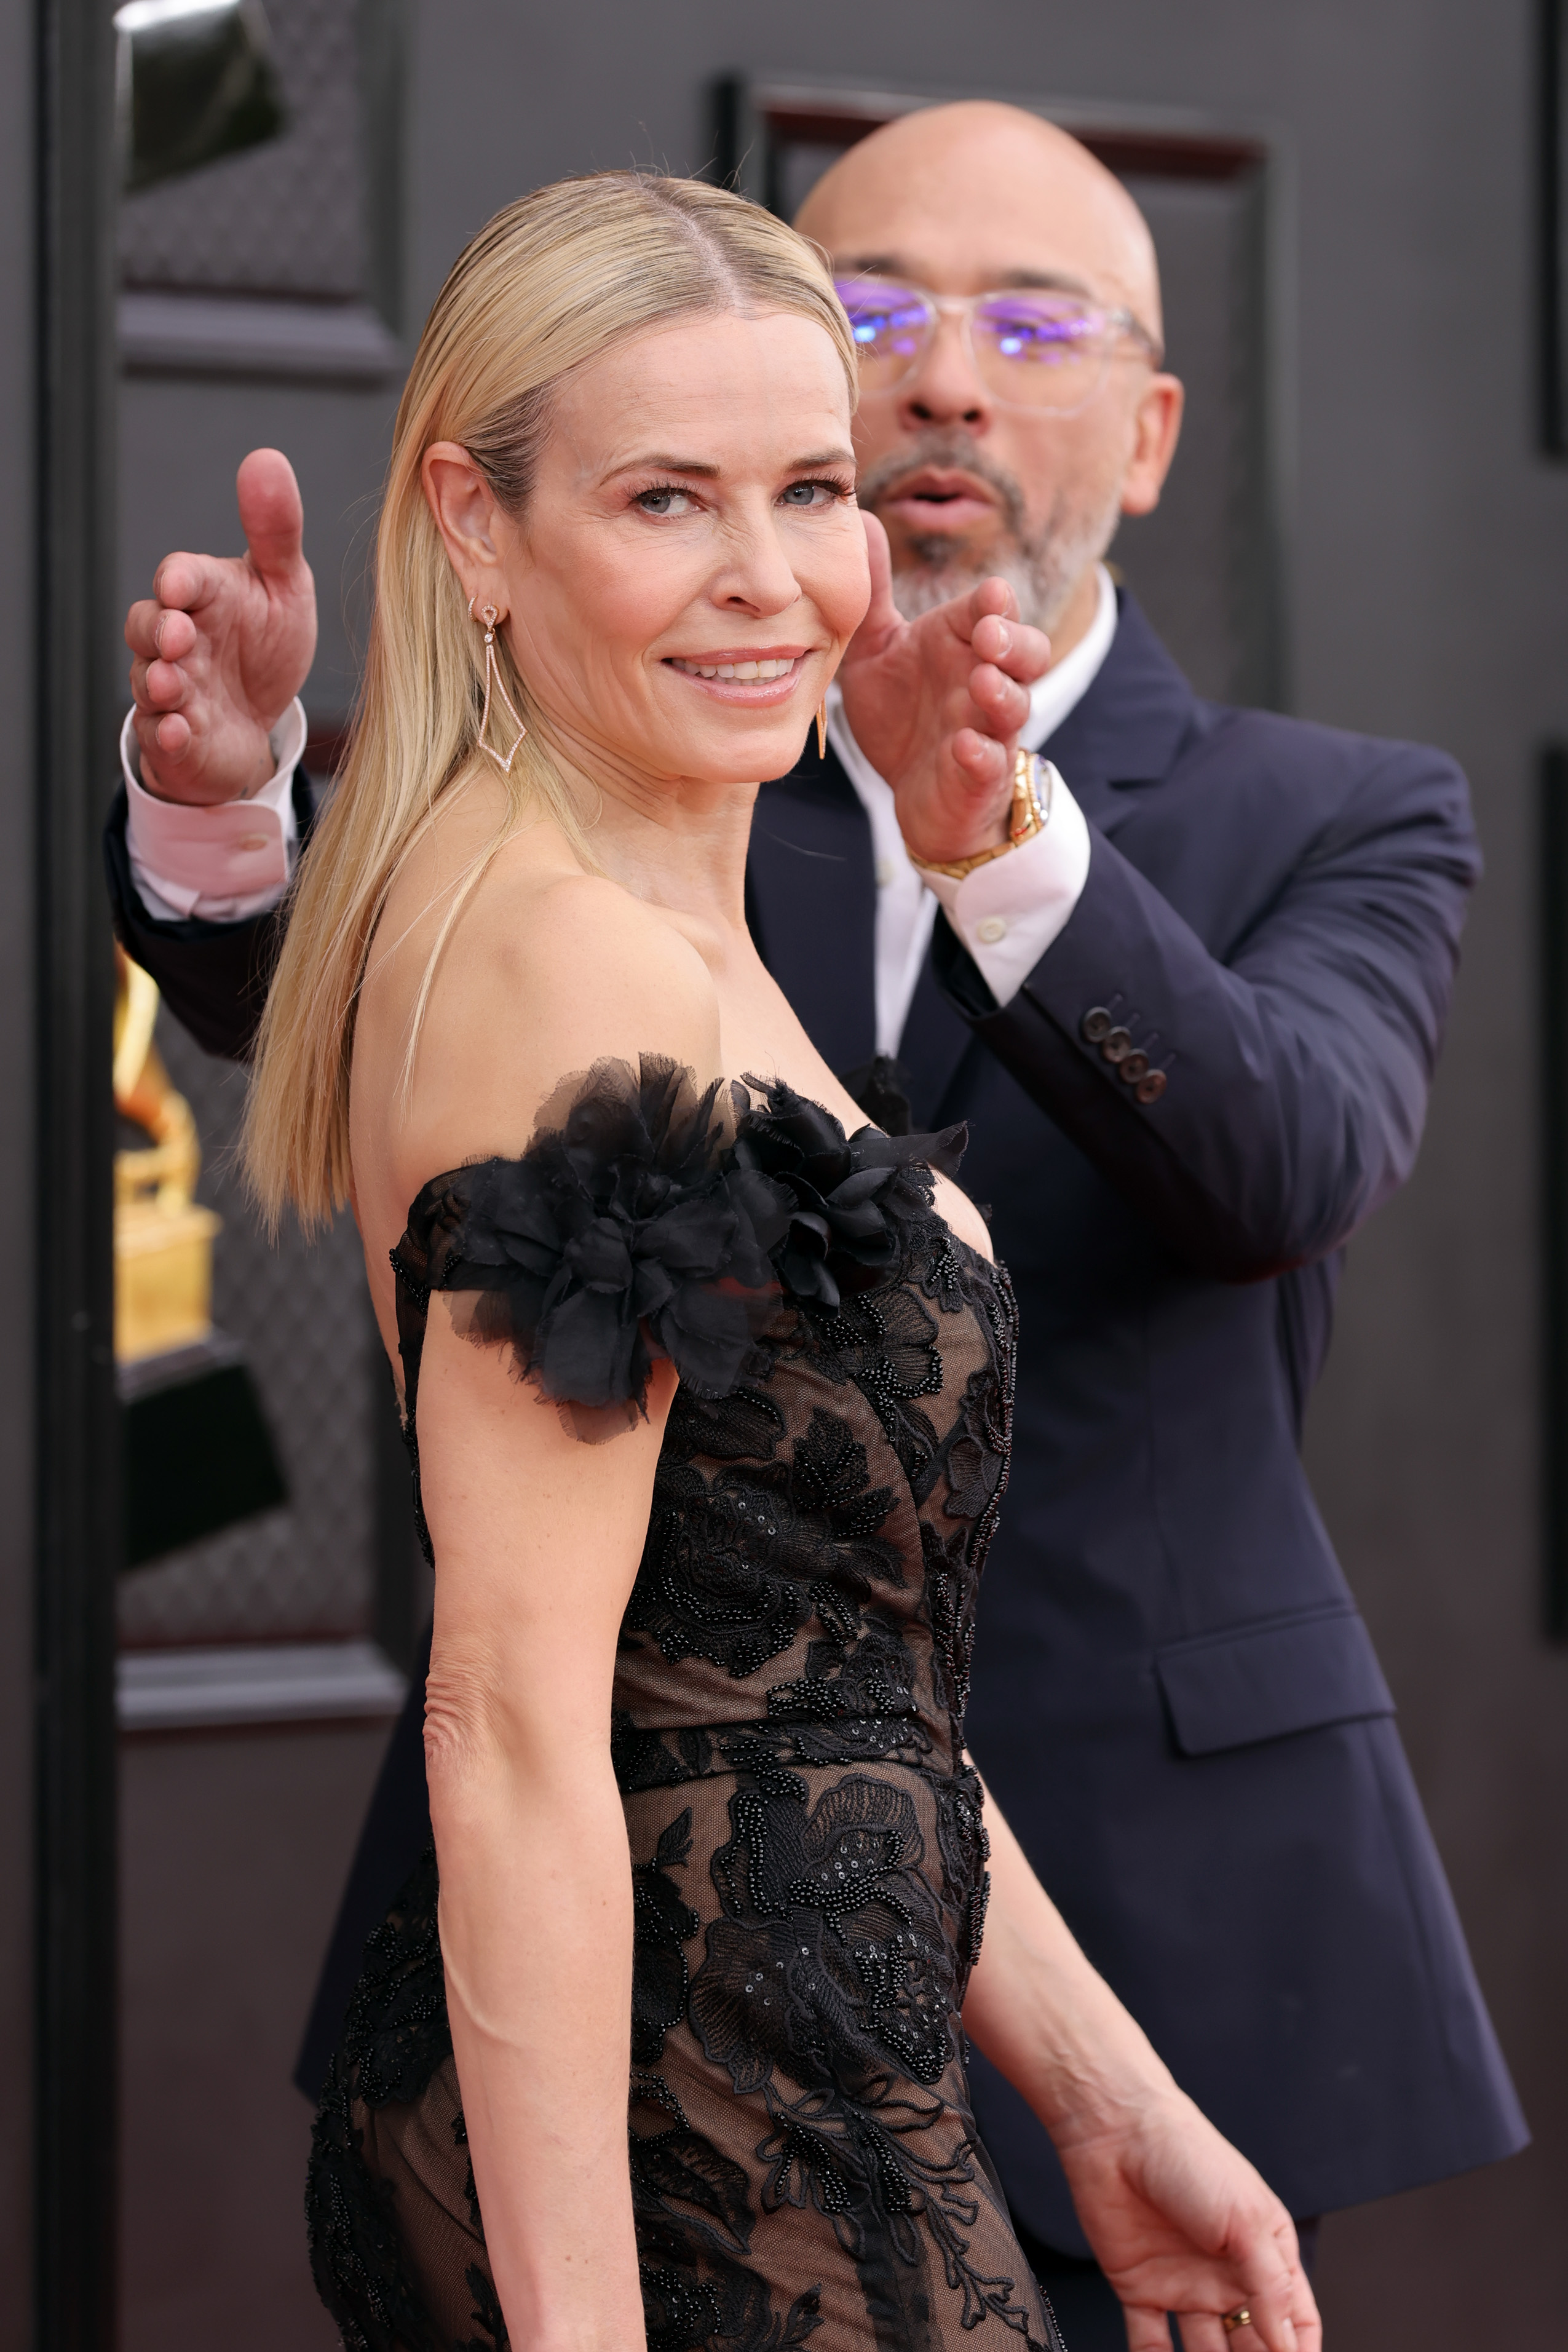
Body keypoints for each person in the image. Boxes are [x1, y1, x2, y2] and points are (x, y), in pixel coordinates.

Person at [105, 106, 1524, 2350]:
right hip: (686, 2104)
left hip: (950, 1992)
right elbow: (510, 1713)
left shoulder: (1324, 813)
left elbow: (1268, 1176)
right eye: (677, 492)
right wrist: (227, 804)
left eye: (811, 488)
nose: (777, 568)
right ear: (480, 528)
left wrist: (1111, 2086)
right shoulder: (568, 908)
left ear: (1155, 431)